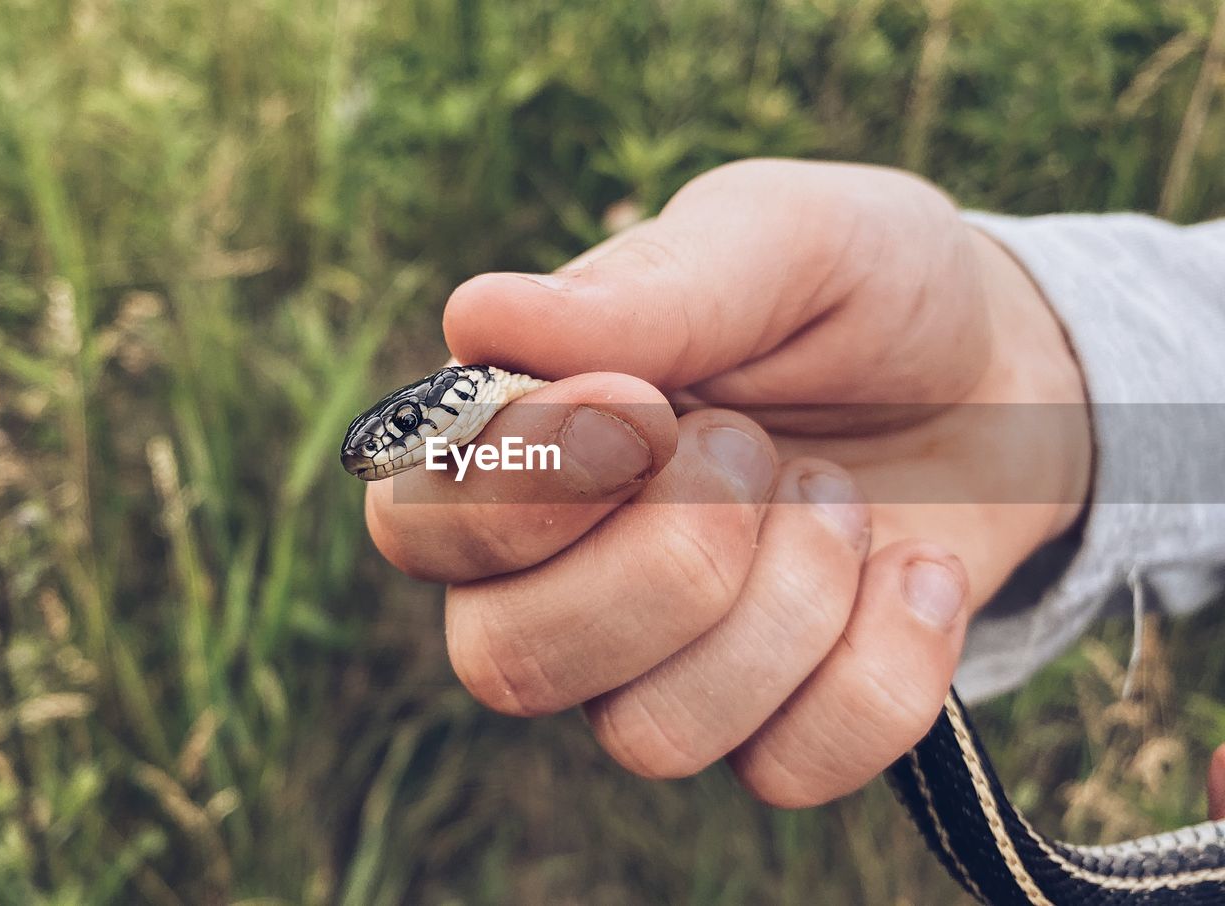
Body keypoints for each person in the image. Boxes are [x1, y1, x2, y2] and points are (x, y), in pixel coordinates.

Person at [362, 158, 1225, 815]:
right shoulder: (519, 408)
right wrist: (1038, 382)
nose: (391, 454)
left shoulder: (514, 385)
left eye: (404, 432)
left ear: (460, 398)